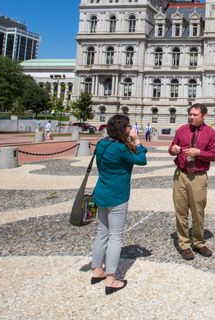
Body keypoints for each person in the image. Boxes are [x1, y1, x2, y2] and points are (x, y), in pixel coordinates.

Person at [90, 114, 147, 294]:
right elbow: (141, 160)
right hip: (117, 195)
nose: (131, 129)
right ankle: (111, 279)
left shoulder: (101, 144)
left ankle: (96, 269)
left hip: (101, 192)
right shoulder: (121, 148)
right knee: (116, 237)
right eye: (128, 126)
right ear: (123, 129)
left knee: (101, 233)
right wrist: (137, 142)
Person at [168, 103, 215, 260]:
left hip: (198, 176)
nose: (191, 117)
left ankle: (198, 242)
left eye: (195, 115)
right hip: (181, 175)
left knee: (198, 211)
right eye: (190, 114)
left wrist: (199, 153)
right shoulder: (182, 130)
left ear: (204, 116)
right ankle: (184, 244)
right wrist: (173, 150)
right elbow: (171, 148)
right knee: (180, 210)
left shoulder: (210, 133)